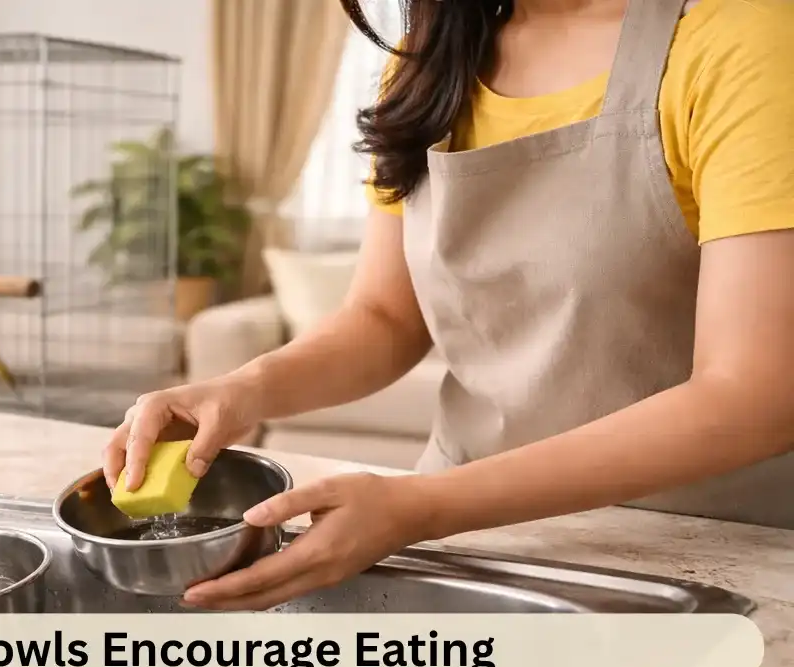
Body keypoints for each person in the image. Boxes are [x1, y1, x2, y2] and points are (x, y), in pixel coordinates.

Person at [103, 0, 794, 612]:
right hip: (471, 530)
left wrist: (421, 506)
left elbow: (754, 395)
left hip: (698, 543)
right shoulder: (426, 67)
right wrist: (245, 388)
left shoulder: (742, 34)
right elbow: (384, 318)